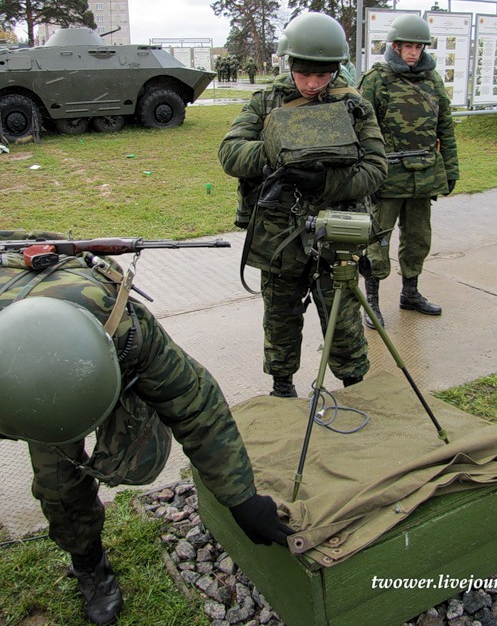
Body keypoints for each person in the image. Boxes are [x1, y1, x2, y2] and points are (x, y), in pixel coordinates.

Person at [0, 230, 293, 625]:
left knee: (108, 460)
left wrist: (241, 498)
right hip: (16, 377)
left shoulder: (128, 332)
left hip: (86, 345)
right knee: (58, 483)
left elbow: (196, 405)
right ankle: (88, 561)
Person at [218, 12, 387, 398]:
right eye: (304, 74)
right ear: (289, 64)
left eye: (323, 75)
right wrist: (278, 154)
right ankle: (282, 388)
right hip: (279, 232)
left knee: (343, 322)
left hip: (336, 231)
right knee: (280, 318)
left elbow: (376, 169)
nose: (312, 84)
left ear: (336, 69)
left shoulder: (355, 105)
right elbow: (229, 153)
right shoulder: (267, 101)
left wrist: (325, 182)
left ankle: (353, 389)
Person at [357, 13, 459, 326]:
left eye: (419, 47)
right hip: (387, 177)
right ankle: (371, 302)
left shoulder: (433, 81)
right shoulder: (376, 80)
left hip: (424, 174)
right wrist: (366, 175)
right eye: (407, 46)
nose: (413, 52)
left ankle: (410, 293)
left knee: (418, 238)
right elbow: (359, 130)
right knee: (378, 239)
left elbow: (445, 126)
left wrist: (451, 170)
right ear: (396, 46)